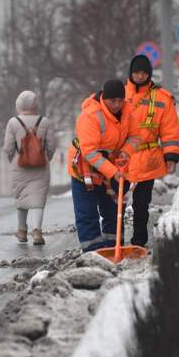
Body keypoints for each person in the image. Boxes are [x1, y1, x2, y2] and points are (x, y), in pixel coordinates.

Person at [67, 79, 140, 252]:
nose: (116, 105)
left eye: (120, 100)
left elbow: (135, 136)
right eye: (112, 100)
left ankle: (114, 247)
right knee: (87, 212)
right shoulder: (90, 116)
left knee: (113, 210)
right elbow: (90, 152)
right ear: (103, 99)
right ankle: (93, 252)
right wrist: (112, 171)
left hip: (113, 167)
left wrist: (125, 152)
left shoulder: (128, 112)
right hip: (86, 169)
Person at [124, 55, 179, 248]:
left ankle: (139, 241)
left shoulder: (162, 98)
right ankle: (113, 240)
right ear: (130, 73)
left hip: (147, 158)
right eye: (136, 73)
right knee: (115, 203)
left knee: (141, 203)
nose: (139, 76)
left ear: (149, 73)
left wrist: (171, 155)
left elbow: (169, 129)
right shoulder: (120, 95)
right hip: (121, 158)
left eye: (143, 73)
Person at [3, 90, 57, 245]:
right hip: (41, 166)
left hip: (19, 167)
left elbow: (8, 147)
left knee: (21, 197)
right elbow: (51, 145)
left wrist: (12, 159)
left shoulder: (13, 122)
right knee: (38, 200)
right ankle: (37, 232)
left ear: (19, 104)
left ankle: (21, 230)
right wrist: (47, 158)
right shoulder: (45, 122)